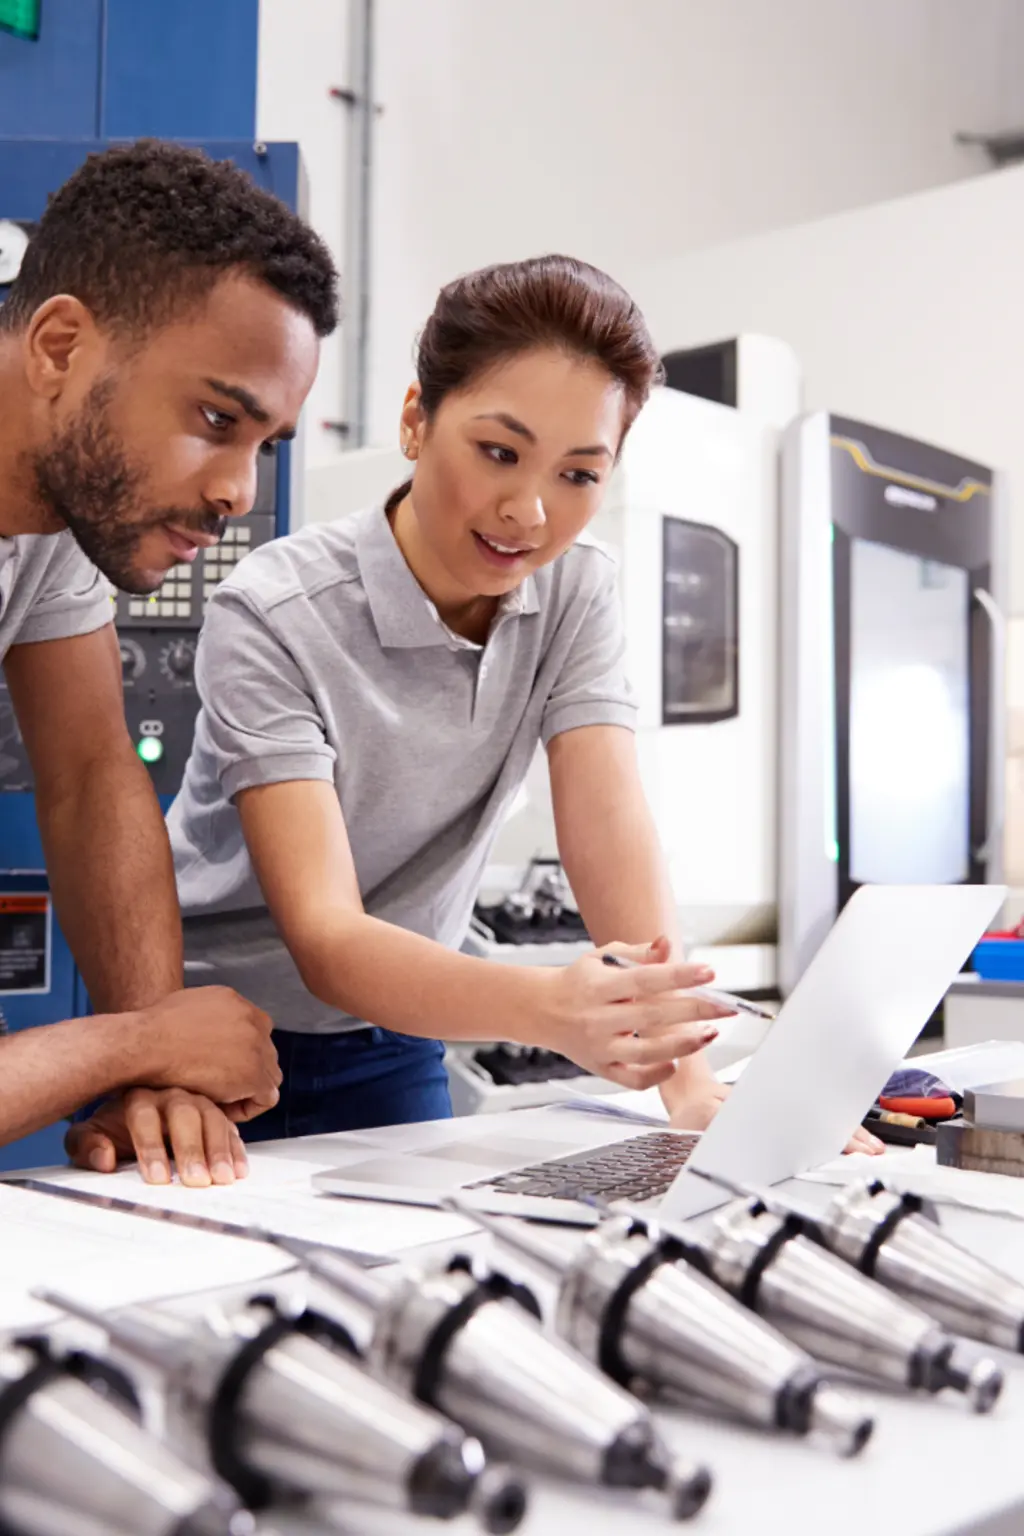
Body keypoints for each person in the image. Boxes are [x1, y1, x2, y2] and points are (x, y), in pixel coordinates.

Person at [79, 252, 882, 1153]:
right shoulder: (275, 609)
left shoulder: (576, 592)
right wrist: (550, 1008)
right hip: (214, 1040)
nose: (529, 512)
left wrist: (690, 1087)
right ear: (417, 421)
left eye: (579, 474)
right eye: (499, 452)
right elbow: (328, 935)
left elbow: (608, 825)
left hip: (395, 1034)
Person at [0, 139, 338, 1182]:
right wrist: (136, 1044)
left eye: (264, 443)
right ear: (60, 346)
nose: (238, 492)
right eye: (213, 419)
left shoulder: (54, 503)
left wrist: (155, 1076)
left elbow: (93, 773)